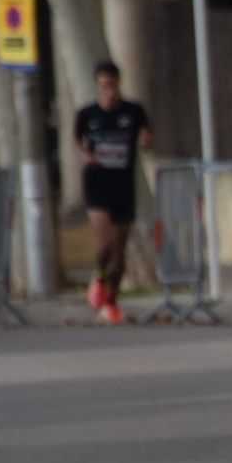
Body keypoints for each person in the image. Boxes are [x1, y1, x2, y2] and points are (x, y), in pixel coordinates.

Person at [74, 60, 152, 324]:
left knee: (120, 253)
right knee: (105, 242)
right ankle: (97, 276)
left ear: (119, 84)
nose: (109, 91)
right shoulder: (87, 114)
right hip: (97, 184)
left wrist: (145, 140)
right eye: (104, 86)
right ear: (97, 86)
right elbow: (76, 139)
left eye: (113, 85)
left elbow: (146, 134)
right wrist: (86, 155)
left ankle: (111, 301)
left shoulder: (133, 111)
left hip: (123, 185)